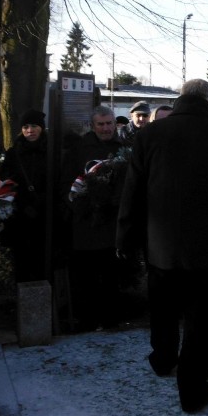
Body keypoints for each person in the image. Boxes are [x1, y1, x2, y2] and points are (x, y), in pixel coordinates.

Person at [118, 80, 208, 414]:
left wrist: (125, 236)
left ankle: (163, 359)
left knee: (163, 309)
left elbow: (132, 191)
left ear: (180, 98)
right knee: (203, 320)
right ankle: (193, 388)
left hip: (161, 246)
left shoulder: (149, 135)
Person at [61, 105, 124, 331]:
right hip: (86, 222)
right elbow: (67, 184)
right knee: (85, 276)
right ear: (93, 125)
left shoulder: (122, 148)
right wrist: (80, 205)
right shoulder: (80, 149)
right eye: (101, 124)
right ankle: (86, 319)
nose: (106, 128)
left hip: (112, 221)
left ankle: (110, 318)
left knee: (110, 275)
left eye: (109, 124)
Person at [0, 109, 49, 283]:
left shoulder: (51, 150)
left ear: (41, 128)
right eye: (26, 126)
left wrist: (41, 201)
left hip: (46, 215)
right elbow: (6, 181)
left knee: (43, 261)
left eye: (34, 126)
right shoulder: (14, 153)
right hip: (20, 217)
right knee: (22, 262)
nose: (30, 130)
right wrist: (22, 203)